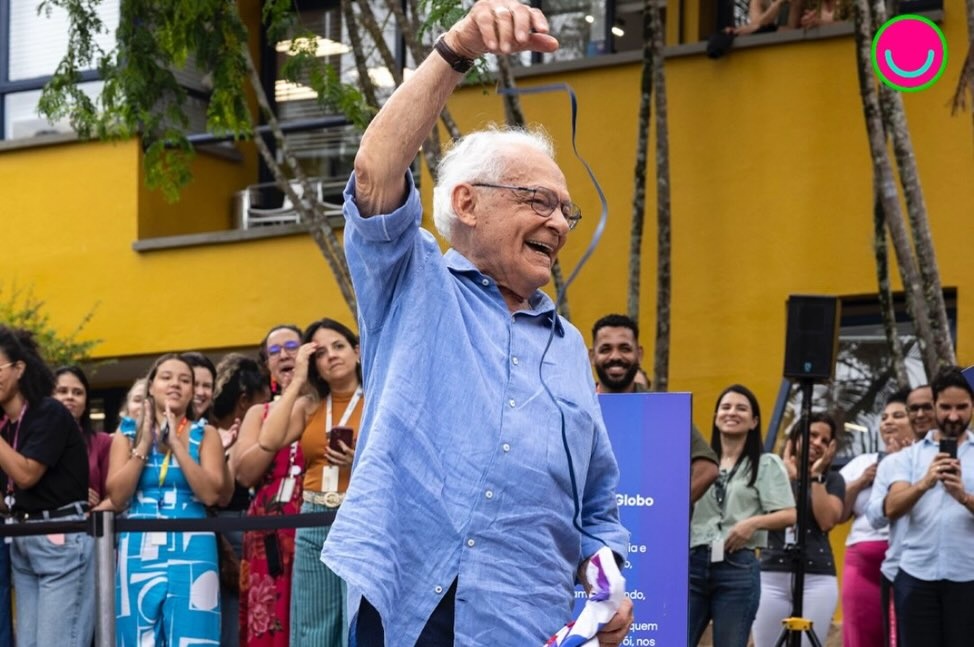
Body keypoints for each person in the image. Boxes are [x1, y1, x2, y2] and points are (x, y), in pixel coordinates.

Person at [319, 3, 632, 644]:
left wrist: (607, 581)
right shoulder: (411, 280)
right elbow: (375, 171)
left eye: (567, 211)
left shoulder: (570, 347)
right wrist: (460, 45)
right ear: (467, 202)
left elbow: (596, 505)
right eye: (538, 201)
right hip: (409, 606)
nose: (558, 224)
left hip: (524, 620)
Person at [107, 353, 232, 646]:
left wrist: (176, 444)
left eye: (184, 380)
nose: (175, 384)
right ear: (151, 386)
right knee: (136, 636)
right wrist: (144, 445)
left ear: (192, 391)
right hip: (138, 545)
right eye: (166, 377)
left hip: (193, 545)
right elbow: (117, 496)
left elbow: (211, 494)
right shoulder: (127, 432)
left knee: (194, 635)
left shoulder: (205, 433)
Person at [257, 319, 363, 646]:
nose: (331, 356)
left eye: (339, 346)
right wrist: (297, 381)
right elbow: (268, 440)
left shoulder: (378, 397)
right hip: (313, 516)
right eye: (320, 353)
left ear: (358, 352)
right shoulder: (311, 404)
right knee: (313, 623)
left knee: (356, 618)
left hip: (359, 515)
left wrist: (359, 460)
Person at [0, 325, 94, 647]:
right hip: (24, 539)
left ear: (19, 368)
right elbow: (9, 496)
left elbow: (27, 475)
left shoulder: (47, 412)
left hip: (60, 539)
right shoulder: (7, 426)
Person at [688, 385, 796, 647]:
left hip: (737, 566)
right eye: (725, 407)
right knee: (675, 639)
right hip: (692, 563)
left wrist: (752, 523)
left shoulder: (766, 463)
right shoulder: (700, 464)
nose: (732, 413)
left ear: (754, 421)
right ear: (716, 417)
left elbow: (789, 514)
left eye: (741, 408)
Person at [881, 366, 974, 647]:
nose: (953, 416)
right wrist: (924, 483)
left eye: (962, 407)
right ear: (934, 405)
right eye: (945, 407)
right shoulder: (907, 457)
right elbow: (891, 508)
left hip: (968, 575)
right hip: (916, 576)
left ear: (973, 406)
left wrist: (963, 496)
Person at [589, 313, 718, 503]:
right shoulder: (576, 408)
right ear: (592, 356)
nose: (615, 356)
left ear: (639, 354)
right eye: (606, 349)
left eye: (625, 348)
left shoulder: (661, 410)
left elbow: (707, 468)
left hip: (645, 518)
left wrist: (668, 507)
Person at [231, 325, 306, 647]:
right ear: (267, 364)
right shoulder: (258, 412)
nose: (284, 355)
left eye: (292, 347)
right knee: (269, 618)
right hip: (267, 528)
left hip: (313, 516)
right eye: (274, 352)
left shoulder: (323, 405)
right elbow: (244, 474)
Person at [752, 411, 845, 647]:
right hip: (771, 573)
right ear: (795, 437)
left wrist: (812, 478)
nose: (817, 443)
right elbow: (772, 514)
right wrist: (788, 479)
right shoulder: (770, 472)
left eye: (824, 440)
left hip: (817, 576)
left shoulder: (832, 480)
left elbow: (827, 521)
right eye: (812, 435)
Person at [838, 390, 914, 647]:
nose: (888, 422)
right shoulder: (863, 462)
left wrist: (902, 463)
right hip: (863, 565)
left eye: (898, 415)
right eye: (884, 417)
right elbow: (839, 514)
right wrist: (861, 482)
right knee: (861, 637)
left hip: (911, 564)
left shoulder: (924, 459)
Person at [210, 353, 271, 647]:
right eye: (264, 399)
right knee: (235, 621)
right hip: (234, 531)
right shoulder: (228, 436)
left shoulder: (204, 430)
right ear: (245, 401)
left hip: (223, 529)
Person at [53, 365, 114, 511]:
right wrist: (72, 494)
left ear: (86, 403)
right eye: (62, 391)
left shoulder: (102, 442)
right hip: (43, 521)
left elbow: (113, 496)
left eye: (78, 393)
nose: (70, 397)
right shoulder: (34, 439)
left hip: (88, 520)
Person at [183, 352, 217, 422]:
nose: (200, 392)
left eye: (207, 386)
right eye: (194, 384)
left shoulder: (213, 428)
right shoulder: (163, 426)